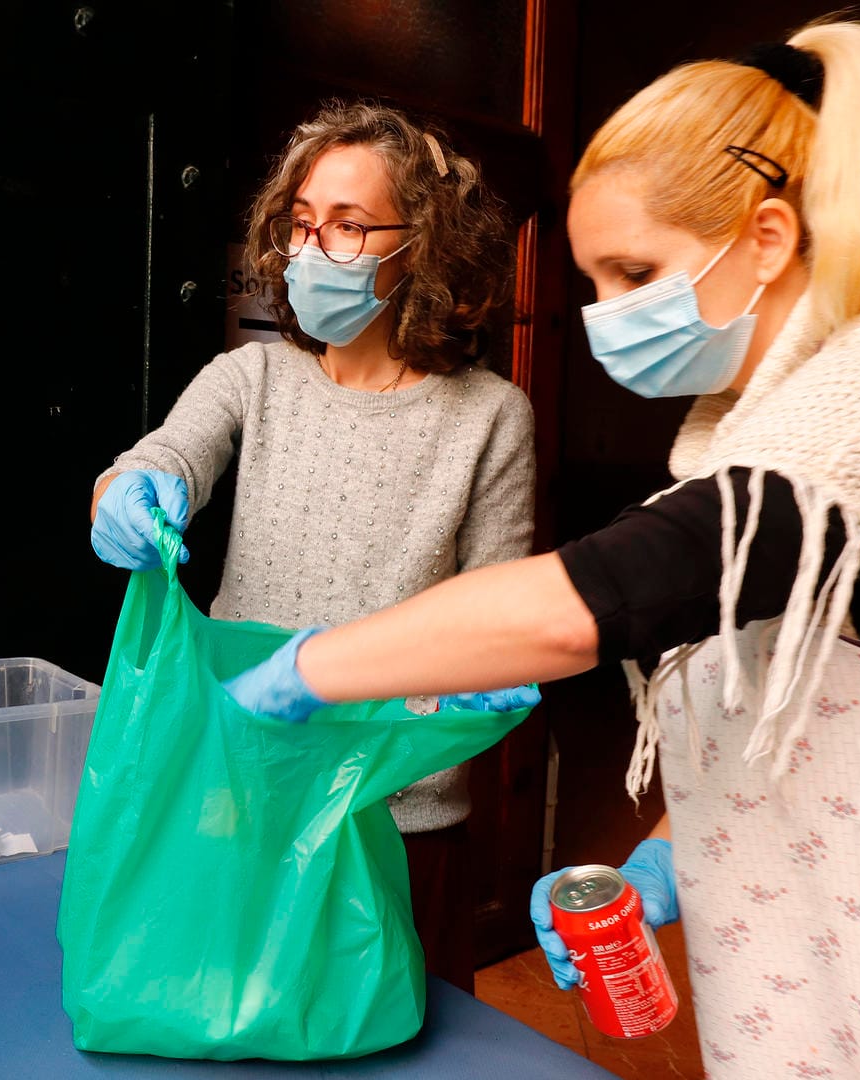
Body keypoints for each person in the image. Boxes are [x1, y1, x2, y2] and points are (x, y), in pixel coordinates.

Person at [226, 21, 860, 1077]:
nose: (605, 316)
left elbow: (607, 593)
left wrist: (309, 670)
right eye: (595, 281)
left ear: (766, 237)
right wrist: (663, 858)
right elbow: (786, 684)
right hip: (853, 960)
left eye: (635, 272)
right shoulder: (748, 424)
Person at [89, 102, 533, 990]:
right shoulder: (249, 377)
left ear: (426, 247)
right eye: (299, 225)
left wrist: (463, 698)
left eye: (348, 226)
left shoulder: (491, 416)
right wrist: (125, 492)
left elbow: (502, 617)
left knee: (402, 1041)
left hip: (393, 817)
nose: (309, 250)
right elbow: (162, 456)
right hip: (238, 791)